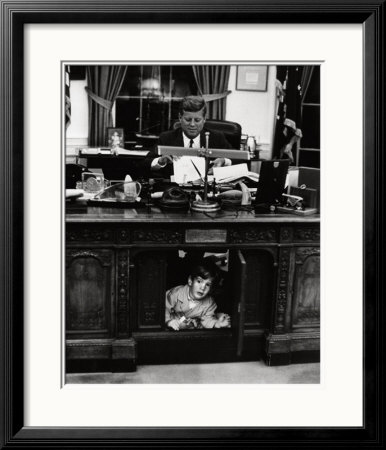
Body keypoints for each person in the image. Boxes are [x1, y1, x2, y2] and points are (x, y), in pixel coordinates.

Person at [141, 96, 233, 179]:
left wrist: (224, 161)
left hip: (207, 190)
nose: (192, 124)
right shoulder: (166, 138)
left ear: (204, 119)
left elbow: (239, 159)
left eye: (197, 120)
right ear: (180, 118)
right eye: (188, 120)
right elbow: (145, 163)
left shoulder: (216, 137)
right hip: (176, 191)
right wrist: (161, 161)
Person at [165, 258, 231, 330]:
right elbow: (163, 307)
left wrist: (217, 324)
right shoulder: (176, 293)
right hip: (171, 326)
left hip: (190, 330)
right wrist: (168, 321)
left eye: (208, 285)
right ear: (190, 281)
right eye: (199, 281)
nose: (202, 287)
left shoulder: (209, 303)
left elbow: (207, 319)